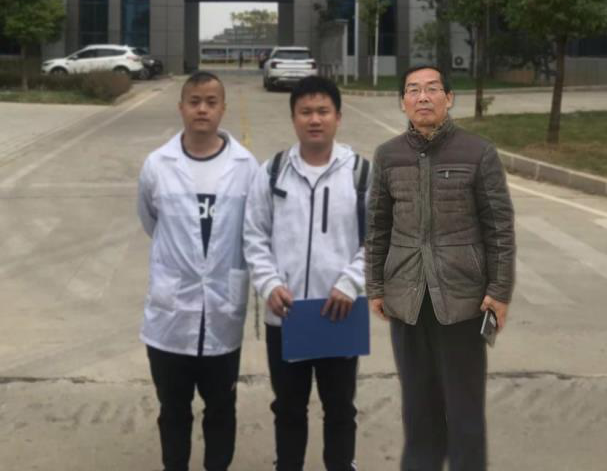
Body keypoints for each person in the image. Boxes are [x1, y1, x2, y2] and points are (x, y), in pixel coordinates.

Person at [366, 64, 516, 471]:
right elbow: (378, 227)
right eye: (413, 90)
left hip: (463, 302)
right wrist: (376, 286)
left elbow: (499, 227)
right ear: (403, 102)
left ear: (449, 98)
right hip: (408, 301)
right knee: (418, 407)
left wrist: (499, 291)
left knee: (464, 409)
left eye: (432, 89)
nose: (423, 97)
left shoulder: (478, 152)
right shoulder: (388, 156)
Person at [244, 75, 370, 471]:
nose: (314, 120)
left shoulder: (362, 174)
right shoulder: (272, 172)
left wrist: (350, 282)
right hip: (287, 314)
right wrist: (269, 284)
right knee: (288, 408)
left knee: (340, 408)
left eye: (323, 111)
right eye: (305, 112)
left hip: (340, 314)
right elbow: (254, 234)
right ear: (293, 118)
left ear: (338, 117)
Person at [137, 70, 258, 471]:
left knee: (221, 407)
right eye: (194, 102)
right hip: (171, 316)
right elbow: (151, 221)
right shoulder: (157, 165)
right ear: (181, 108)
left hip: (222, 311)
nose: (202, 109)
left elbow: (254, 230)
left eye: (211, 102)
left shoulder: (246, 166)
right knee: (173, 409)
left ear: (223, 108)